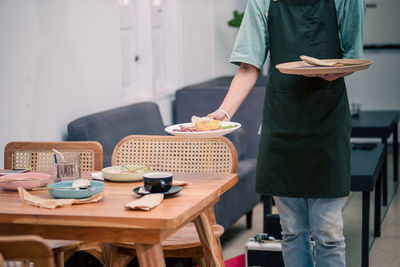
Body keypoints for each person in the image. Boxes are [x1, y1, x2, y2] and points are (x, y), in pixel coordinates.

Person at [208, 0, 365, 266]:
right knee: (292, 231)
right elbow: (248, 66)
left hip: (327, 122)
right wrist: (223, 113)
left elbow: (351, 57)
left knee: (329, 233)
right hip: (282, 123)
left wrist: (333, 72)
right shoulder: (262, 2)